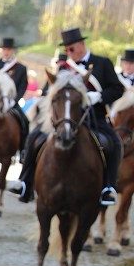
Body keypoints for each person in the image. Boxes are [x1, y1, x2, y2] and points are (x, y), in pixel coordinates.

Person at [9, 27, 122, 206]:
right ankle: (25, 182)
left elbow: (117, 89)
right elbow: (48, 92)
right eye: (66, 50)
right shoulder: (63, 68)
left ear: (82, 45)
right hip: (63, 118)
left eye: (71, 49)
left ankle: (108, 188)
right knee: (34, 138)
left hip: (94, 117)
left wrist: (99, 96)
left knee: (114, 143)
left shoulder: (103, 63)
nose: (69, 53)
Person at [0, 37, 29, 155]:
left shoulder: (20, 68)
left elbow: (23, 86)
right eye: (4, 49)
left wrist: (15, 100)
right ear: (1, 50)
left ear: (13, 51)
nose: (7, 52)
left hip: (11, 103)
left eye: (9, 49)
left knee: (25, 121)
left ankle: (22, 150)